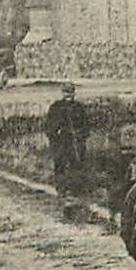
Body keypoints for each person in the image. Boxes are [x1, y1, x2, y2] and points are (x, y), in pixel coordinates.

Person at [45, 82, 90, 221]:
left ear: (74, 93)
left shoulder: (79, 108)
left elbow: (86, 126)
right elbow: (49, 127)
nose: (68, 95)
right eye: (66, 93)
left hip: (75, 143)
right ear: (62, 93)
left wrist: (81, 137)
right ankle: (62, 190)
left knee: (77, 165)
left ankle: (75, 190)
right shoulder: (56, 107)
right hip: (61, 142)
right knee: (60, 166)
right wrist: (56, 135)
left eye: (70, 93)